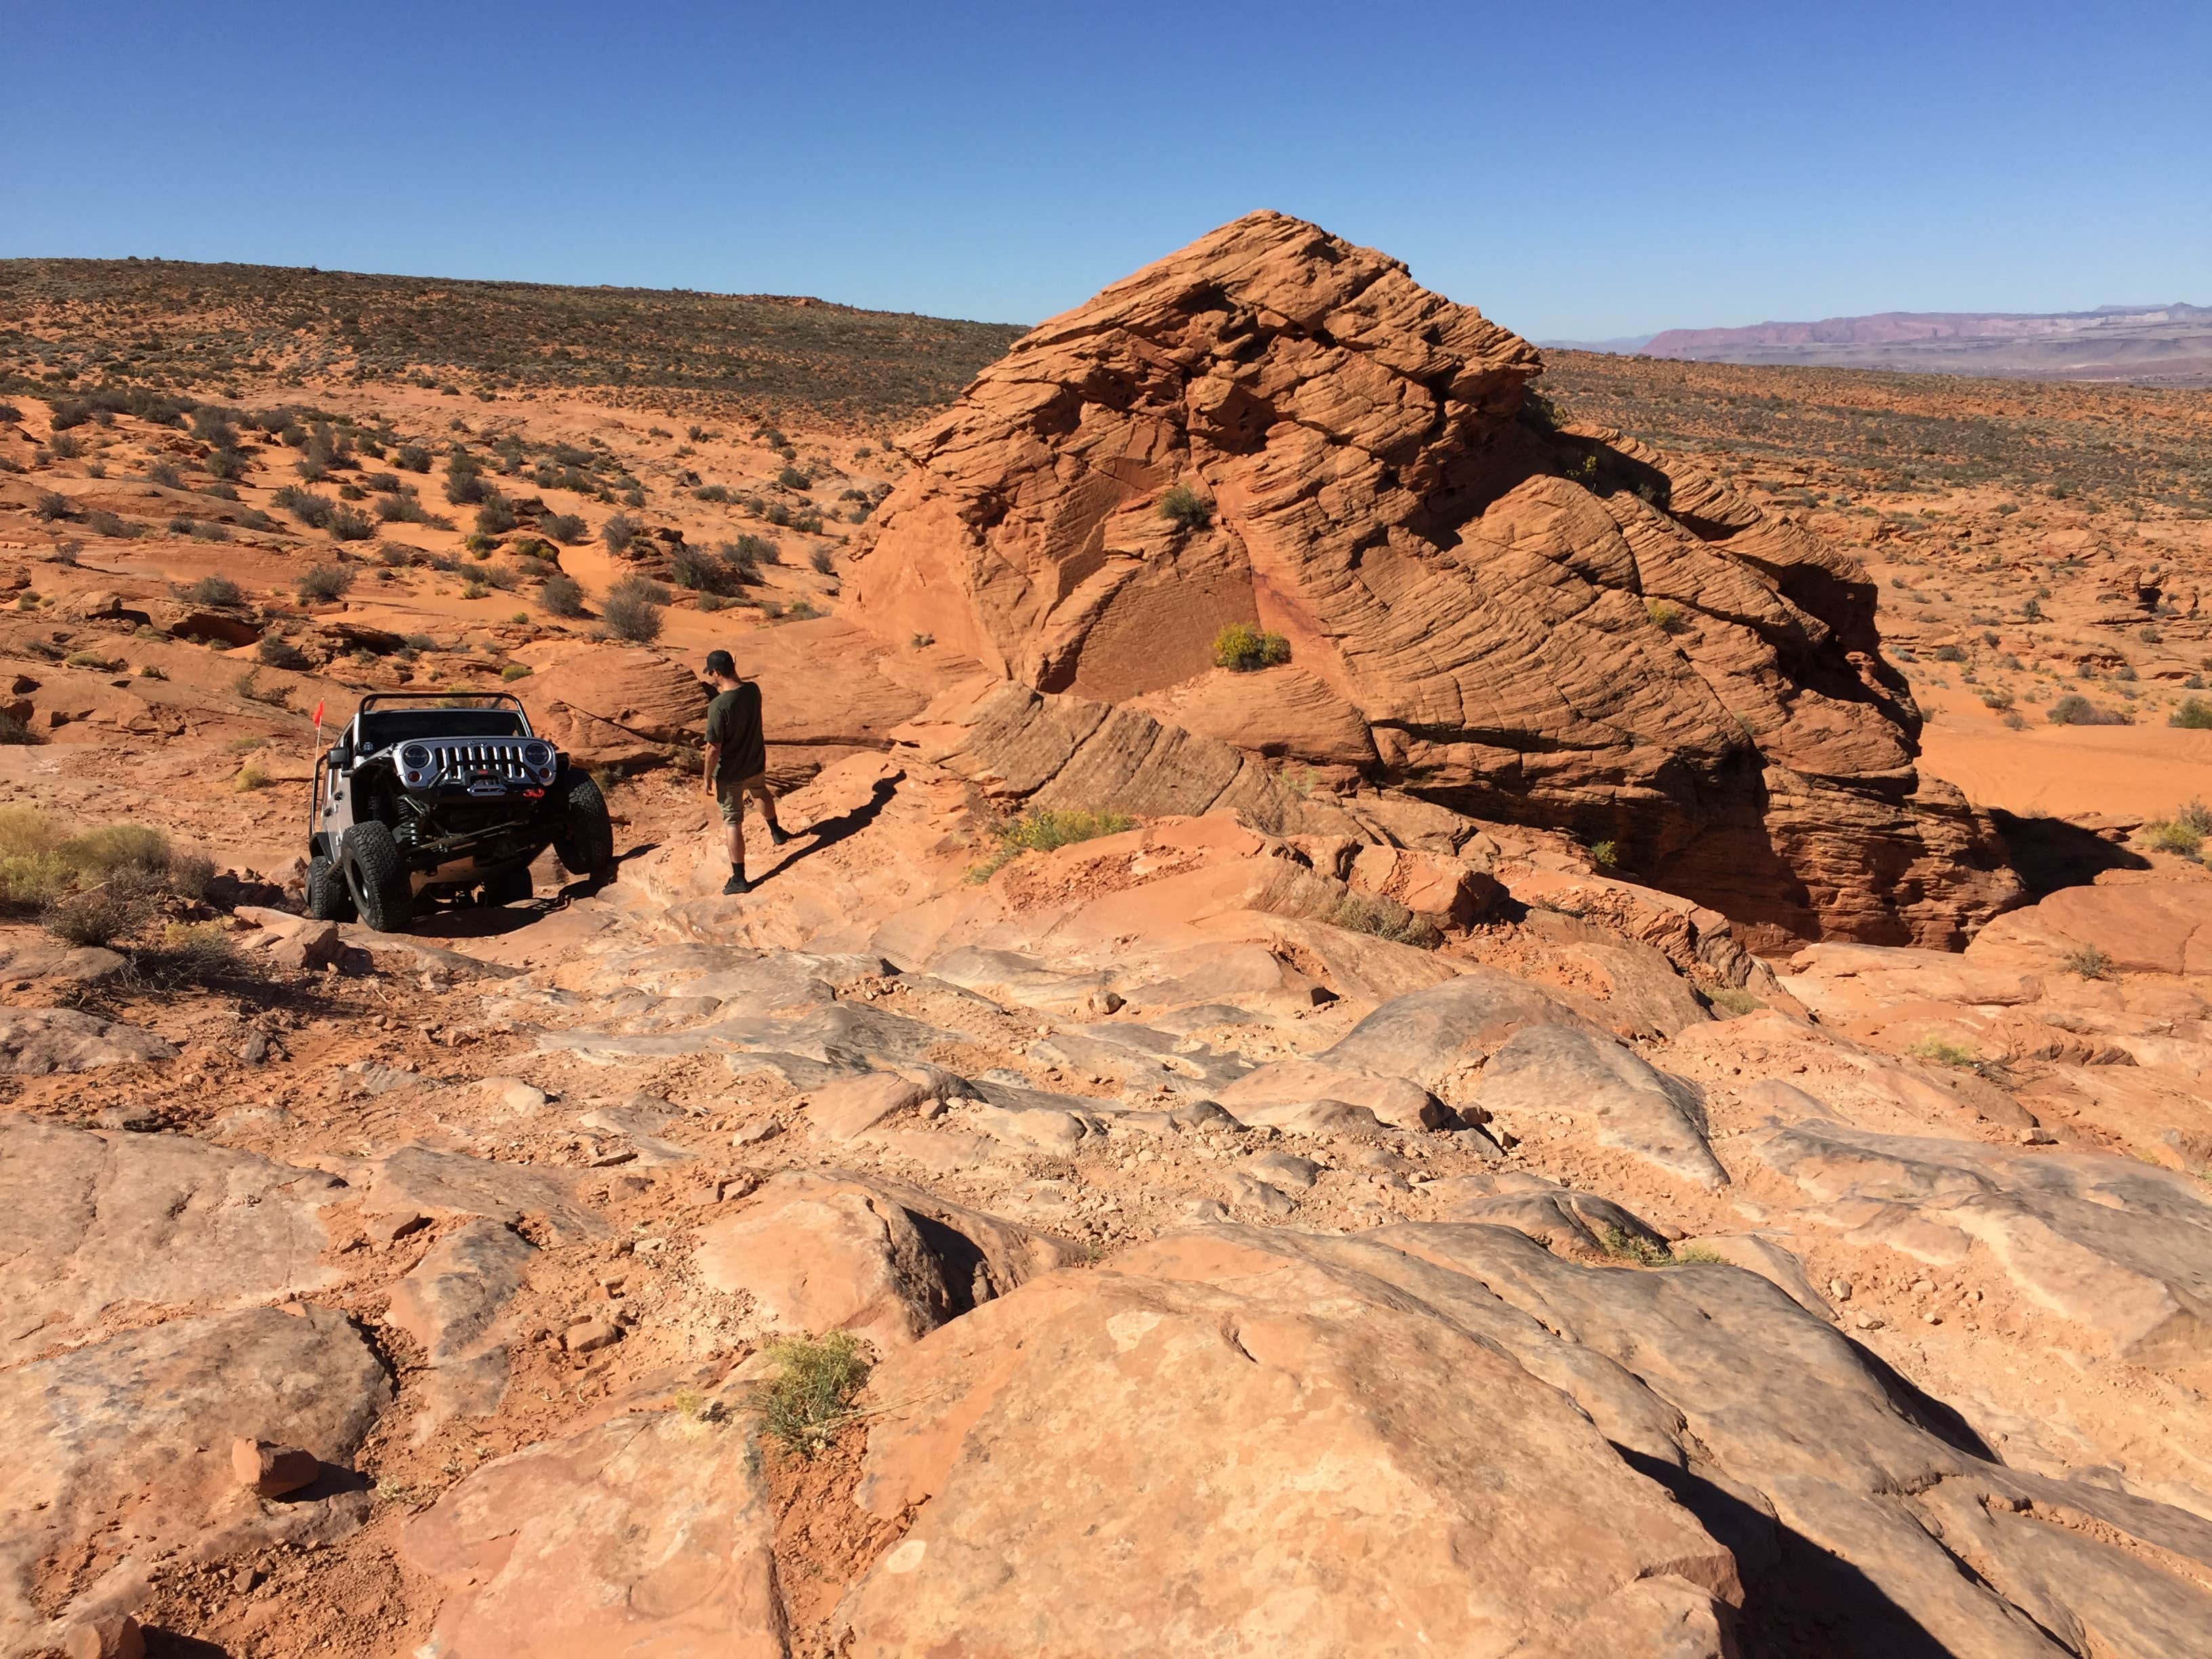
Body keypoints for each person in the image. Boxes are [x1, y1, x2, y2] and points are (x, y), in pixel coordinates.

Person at [701, 649, 790, 895]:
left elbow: (712, 748)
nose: (711, 677)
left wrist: (707, 777)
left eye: (711, 673)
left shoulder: (718, 706)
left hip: (731, 772)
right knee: (760, 792)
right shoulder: (753, 690)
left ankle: (739, 879)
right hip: (755, 761)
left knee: (732, 822)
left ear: (717, 673)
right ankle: (777, 832)